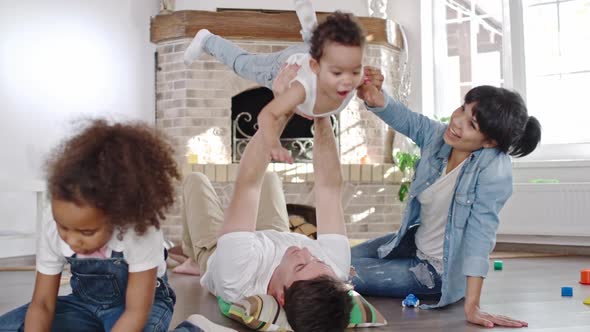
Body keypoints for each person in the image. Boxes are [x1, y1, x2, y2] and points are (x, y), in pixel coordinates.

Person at [352, 67, 542, 328]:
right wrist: (376, 97)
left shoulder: (493, 171)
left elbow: (481, 234)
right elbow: (409, 120)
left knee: (340, 273)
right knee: (337, 258)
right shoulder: (439, 138)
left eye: (472, 124)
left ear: (489, 142)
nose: (457, 121)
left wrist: (472, 306)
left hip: (434, 271)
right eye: (463, 108)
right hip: (411, 243)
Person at [0, 120, 181, 331]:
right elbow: (42, 304)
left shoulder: (139, 230)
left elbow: (136, 311)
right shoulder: (54, 219)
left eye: (87, 232)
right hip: (84, 305)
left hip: (140, 307)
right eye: (63, 227)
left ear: (119, 216)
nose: (71, 239)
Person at [178, 115, 353, 331]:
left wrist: (281, 111)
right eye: (316, 259)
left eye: (300, 265)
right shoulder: (334, 270)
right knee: (270, 178)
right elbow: (329, 187)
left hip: (216, 249)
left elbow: (248, 183)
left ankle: (193, 257)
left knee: (195, 180)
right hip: (276, 233)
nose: (305, 251)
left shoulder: (237, 277)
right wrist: (322, 115)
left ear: (280, 296)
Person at [183, 2, 366, 163]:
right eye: (337, 73)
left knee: (316, 49)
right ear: (316, 67)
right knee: (243, 64)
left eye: (355, 72)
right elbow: (267, 115)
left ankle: (309, 25)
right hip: (285, 66)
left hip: (309, 58)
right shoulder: (301, 90)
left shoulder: (352, 74)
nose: (347, 82)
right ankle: (207, 40)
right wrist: (273, 145)